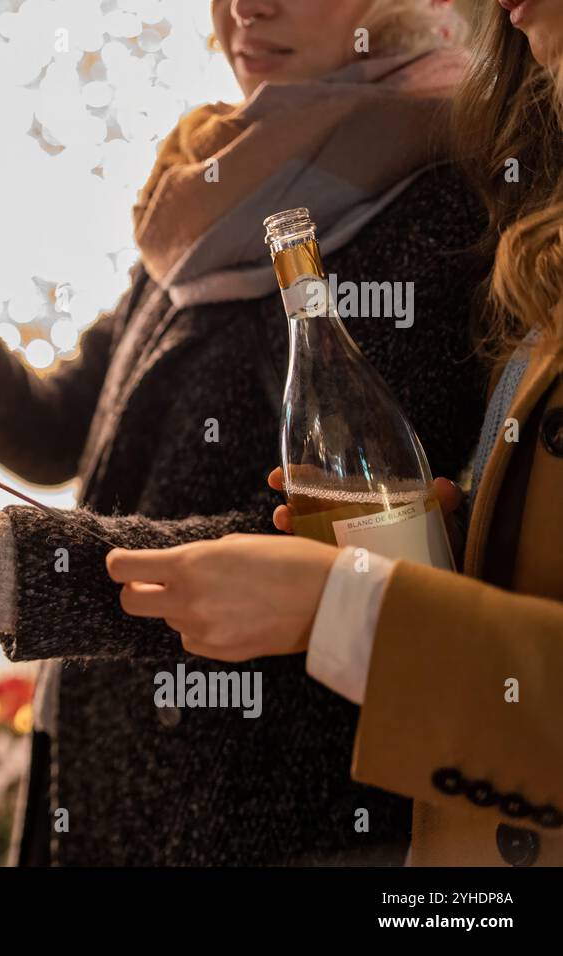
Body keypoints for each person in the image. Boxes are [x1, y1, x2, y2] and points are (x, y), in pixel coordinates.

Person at [0, 0, 483, 865]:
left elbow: (364, 548)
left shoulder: (442, 198)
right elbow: (66, 433)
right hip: (109, 756)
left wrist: (12, 561)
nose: (250, 6)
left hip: (270, 810)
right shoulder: (221, 183)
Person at [107, 0, 563, 868]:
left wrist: (345, 605)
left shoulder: (442, 192)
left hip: (315, 807)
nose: (249, 6)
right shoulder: (202, 194)